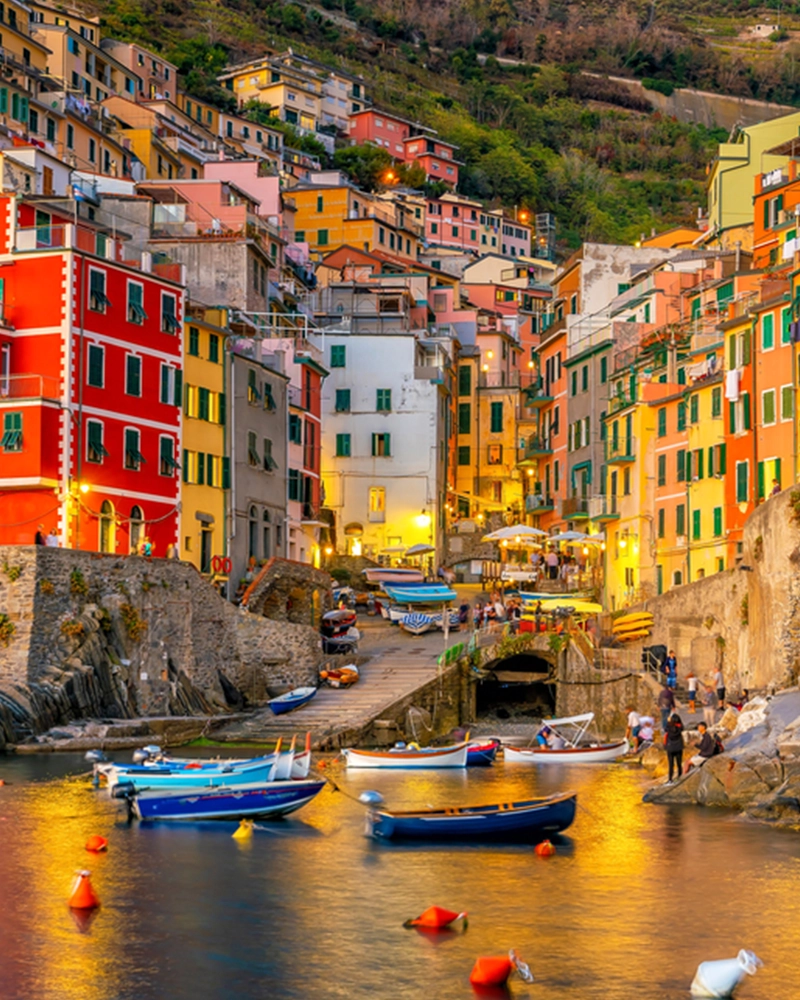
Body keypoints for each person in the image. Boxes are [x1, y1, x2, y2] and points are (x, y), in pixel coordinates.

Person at [664, 712, 685, 783]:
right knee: (679, 763)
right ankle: (680, 776)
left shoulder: (669, 727)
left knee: (671, 764)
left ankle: (670, 778)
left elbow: (665, 729)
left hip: (670, 747)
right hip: (678, 746)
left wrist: (669, 721)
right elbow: (682, 728)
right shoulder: (679, 727)